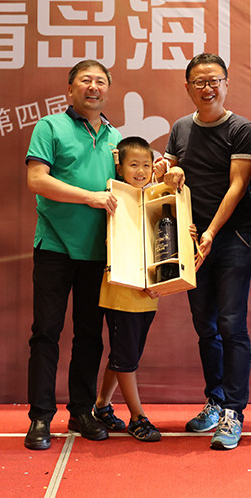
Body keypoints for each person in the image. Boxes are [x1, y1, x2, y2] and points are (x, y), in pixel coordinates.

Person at [155, 53, 251, 450]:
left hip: (231, 239)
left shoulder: (241, 129)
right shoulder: (181, 128)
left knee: (232, 325)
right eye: (199, 82)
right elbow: (167, 174)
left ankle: (233, 411)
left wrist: (212, 231)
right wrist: (165, 169)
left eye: (214, 80)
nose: (207, 88)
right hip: (191, 241)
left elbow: (237, 186)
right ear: (188, 88)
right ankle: (214, 401)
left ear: (227, 84)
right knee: (205, 326)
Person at [23, 60, 121, 451]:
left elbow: (130, 186)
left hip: (98, 252)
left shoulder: (115, 137)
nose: (93, 87)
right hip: (55, 247)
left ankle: (82, 411)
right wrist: (90, 197)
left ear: (107, 90)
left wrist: (163, 170)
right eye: (85, 80)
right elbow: (37, 180)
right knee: (46, 333)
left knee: (89, 336)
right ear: (70, 89)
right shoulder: (50, 127)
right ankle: (40, 417)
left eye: (100, 81)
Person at [91, 136, 164, 442]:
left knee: (124, 354)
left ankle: (101, 405)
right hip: (121, 292)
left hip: (148, 295)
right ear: (119, 167)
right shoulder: (114, 197)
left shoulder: (156, 198)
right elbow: (117, 244)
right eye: (133, 164)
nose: (141, 171)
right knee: (126, 357)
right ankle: (137, 417)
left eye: (146, 164)